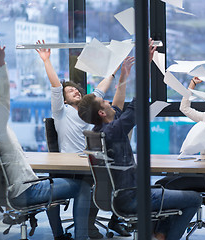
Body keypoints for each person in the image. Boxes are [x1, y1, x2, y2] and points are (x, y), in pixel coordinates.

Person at [0, 35, 91, 240]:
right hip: (25, 191)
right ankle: (79, 237)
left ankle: (59, 236)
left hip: (3, 194)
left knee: (53, 182)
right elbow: (3, 94)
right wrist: (0, 63)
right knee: (83, 187)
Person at [77, 47, 202, 240]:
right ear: (102, 113)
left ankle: (157, 233)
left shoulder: (100, 131)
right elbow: (137, 104)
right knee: (194, 199)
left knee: (167, 186)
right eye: (105, 103)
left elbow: (119, 107)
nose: (109, 102)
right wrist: (146, 65)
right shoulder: (114, 131)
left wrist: (124, 76)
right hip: (132, 197)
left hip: (118, 197)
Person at [36, 41, 134, 238]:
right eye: (70, 91)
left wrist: (115, 69)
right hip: (68, 165)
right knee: (62, 191)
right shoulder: (61, 112)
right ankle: (60, 234)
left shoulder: (90, 110)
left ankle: (97, 224)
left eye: (76, 89)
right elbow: (56, 86)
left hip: (91, 163)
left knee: (108, 179)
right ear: (64, 100)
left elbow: (101, 88)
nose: (76, 91)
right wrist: (47, 61)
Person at [156, 77, 205, 191]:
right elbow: (184, 108)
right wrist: (192, 85)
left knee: (172, 185)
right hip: (201, 169)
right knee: (161, 182)